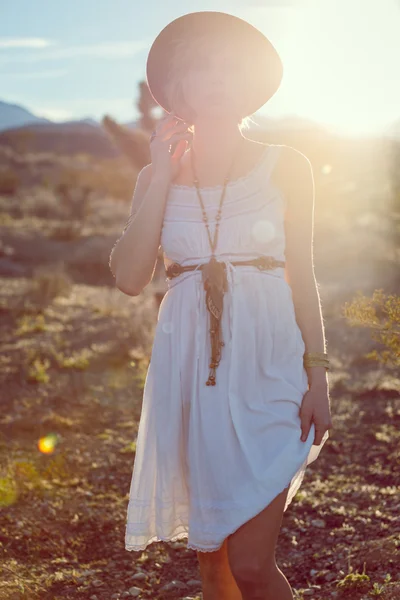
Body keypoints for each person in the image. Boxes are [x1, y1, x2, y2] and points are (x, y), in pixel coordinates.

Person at [109, 11, 332, 600]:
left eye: (230, 67)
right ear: (177, 88)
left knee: (254, 567)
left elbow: (301, 275)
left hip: (270, 367)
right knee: (215, 570)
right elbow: (131, 277)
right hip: (193, 380)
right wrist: (160, 175)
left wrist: (319, 377)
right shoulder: (155, 178)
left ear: (250, 84)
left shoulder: (287, 165)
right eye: (200, 66)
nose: (215, 78)